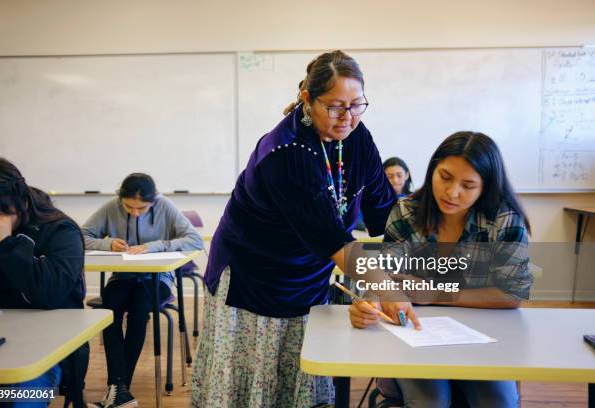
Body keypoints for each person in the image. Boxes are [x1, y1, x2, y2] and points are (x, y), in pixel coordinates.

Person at [191, 50, 398, 407]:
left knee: (301, 381)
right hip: (253, 278)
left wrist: (412, 269)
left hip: (308, 275)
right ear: (307, 98)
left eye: (357, 104)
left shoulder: (358, 137)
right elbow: (334, 241)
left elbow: (384, 211)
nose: (348, 118)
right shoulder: (284, 152)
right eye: (335, 106)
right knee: (255, 384)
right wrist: (389, 289)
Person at [349, 131, 533, 408]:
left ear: (486, 187)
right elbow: (387, 279)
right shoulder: (407, 212)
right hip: (414, 334)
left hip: (484, 339)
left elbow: (513, 294)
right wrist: (370, 302)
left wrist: (435, 293)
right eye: (445, 177)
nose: (452, 192)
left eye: (468, 185)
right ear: (433, 168)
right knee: (430, 401)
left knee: (498, 403)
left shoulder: (503, 221)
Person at [82, 173, 203, 408]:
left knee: (139, 313)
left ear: (153, 201)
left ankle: (118, 388)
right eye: (128, 207)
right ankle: (119, 390)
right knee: (109, 312)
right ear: (120, 198)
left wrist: (154, 246)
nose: (134, 213)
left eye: (141, 208)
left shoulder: (165, 206)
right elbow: (80, 236)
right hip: (122, 276)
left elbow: (194, 240)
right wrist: (108, 244)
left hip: (157, 278)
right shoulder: (111, 207)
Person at [0, 157, 86, 408]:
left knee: (13, 402)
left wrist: (7, 243)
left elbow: (48, 294)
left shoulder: (61, 232)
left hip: (45, 354)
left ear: (19, 205)